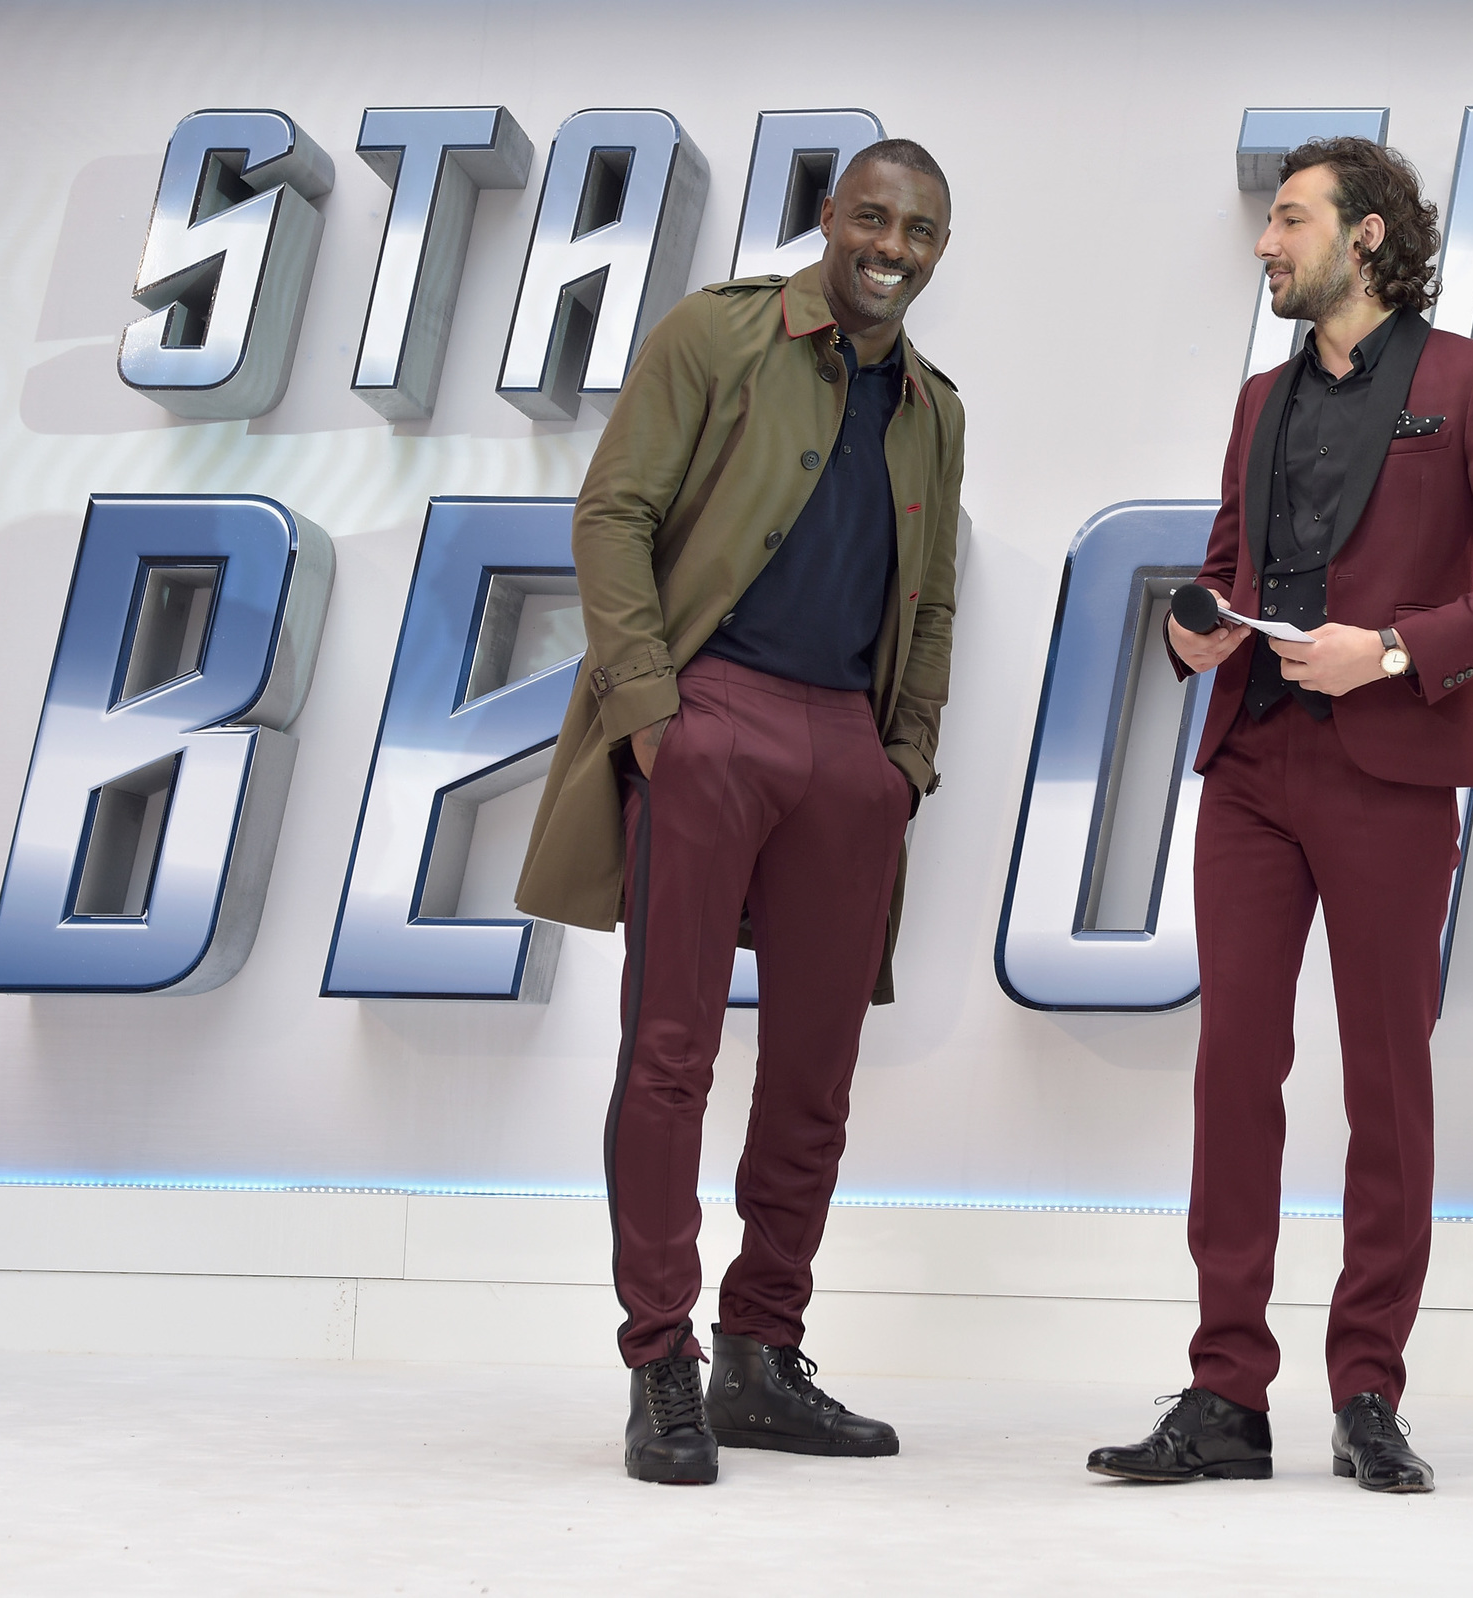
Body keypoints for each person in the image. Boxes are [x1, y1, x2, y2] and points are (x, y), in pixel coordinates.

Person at [1085, 137, 1473, 1494]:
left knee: (1386, 1084)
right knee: (1234, 1066)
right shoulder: (1259, 401)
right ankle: (1226, 1392)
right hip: (1251, 765)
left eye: (1289, 219)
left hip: (1392, 773)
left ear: (1365, 237)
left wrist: (1401, 648)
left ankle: (1367, 1387)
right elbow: (1230, 571)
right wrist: (1199, 627)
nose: (1265, 242)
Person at [515, 139, 963, 1487]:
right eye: (874, 217)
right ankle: (662, 1361)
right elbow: (615, 513)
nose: (894, 245)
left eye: (923, 231)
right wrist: (657, 709)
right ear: (830, 220)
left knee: (816, 1076)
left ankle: (762, 1355)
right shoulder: (722, 335)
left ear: (941, 251)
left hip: (848, 755)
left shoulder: (937, 406)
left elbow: (930, 600)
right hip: (713, 717)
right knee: (670, 1054)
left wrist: (906, 760)